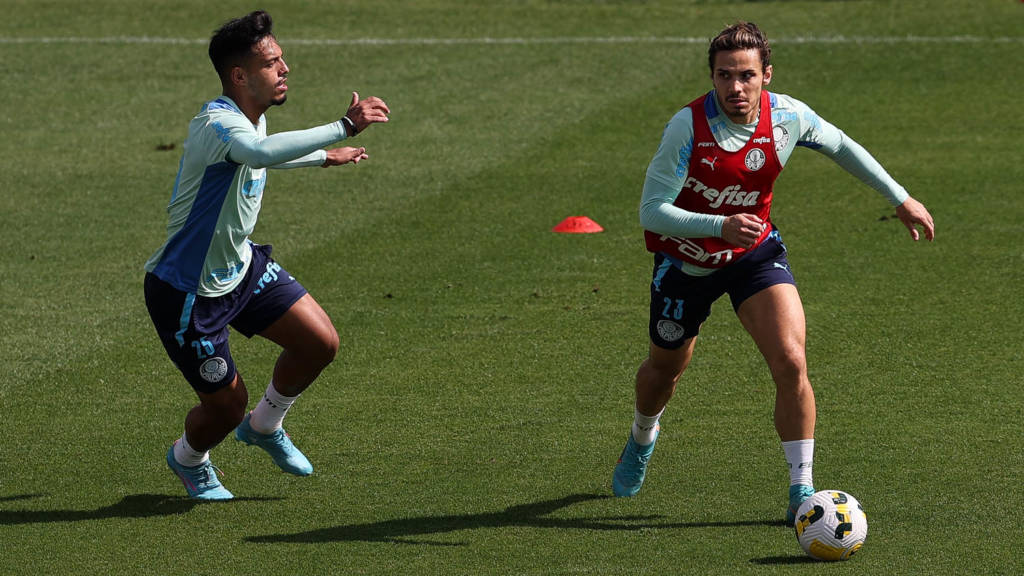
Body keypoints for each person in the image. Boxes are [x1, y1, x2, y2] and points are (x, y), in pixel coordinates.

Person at [611, 21, 934, 524]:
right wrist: (719, 224)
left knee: (790, 360)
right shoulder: (687, 127)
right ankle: (642, 437)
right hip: (686, 264)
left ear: (766, 75)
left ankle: (801, 488)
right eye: (724, 75)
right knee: (664, 373)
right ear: (712, 77)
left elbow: (842, 145)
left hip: (753, 255)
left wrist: (900, 198)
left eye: (745, 75)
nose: (734, 87)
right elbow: (651, 213)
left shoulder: (788, 116)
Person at [144, 10, 390, 500]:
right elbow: (256, 154)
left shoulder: (249, 121)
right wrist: (343, 128)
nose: (285, 68)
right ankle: (188, 458)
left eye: (281, 59)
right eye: (271, 62)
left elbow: (260, 152)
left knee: (319, 343)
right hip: (189, 293)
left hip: (240, 266)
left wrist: (321, 157)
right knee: (225, 408)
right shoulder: (217, 124)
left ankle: (264, 424)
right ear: (239, 75)